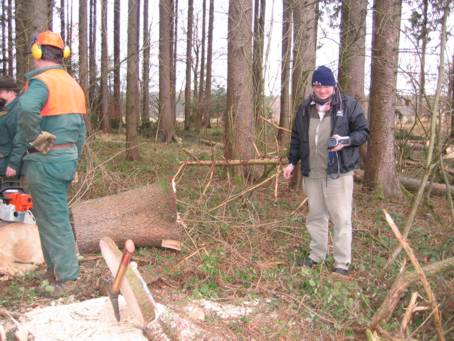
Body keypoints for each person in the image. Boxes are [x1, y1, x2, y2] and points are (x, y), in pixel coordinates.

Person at [16, 31, 86, 297]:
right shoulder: (72, 84)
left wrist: (34, 138)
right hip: (65, 158)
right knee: (51, 218)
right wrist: (73, 158)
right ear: (61, 54)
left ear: (37, 52)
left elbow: (24, 109)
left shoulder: (42, 83)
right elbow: (81, 130)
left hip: (46, 161)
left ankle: (67, 279)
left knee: (53, 219)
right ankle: (55, 270)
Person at [283, 65, 369, 276]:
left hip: (338, 174)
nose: (322, 91)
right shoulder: (305, 108)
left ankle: (341, 263)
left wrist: (346, 141)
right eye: (318, 86)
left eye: (326, 86)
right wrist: (292, 162)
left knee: (341, 218)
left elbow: (363, 131)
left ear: (333, 86)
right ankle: (317, 255)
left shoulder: (348, 105)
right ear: (313, 87)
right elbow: (296, 138)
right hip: (312, 173)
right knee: (316, 216)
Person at [0, 77, 26, 181]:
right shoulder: (4, 109)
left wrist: (13, 164)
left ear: (11, 92)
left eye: (0, 92)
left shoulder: (20, 110)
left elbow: (21, 139)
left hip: (10, 167)